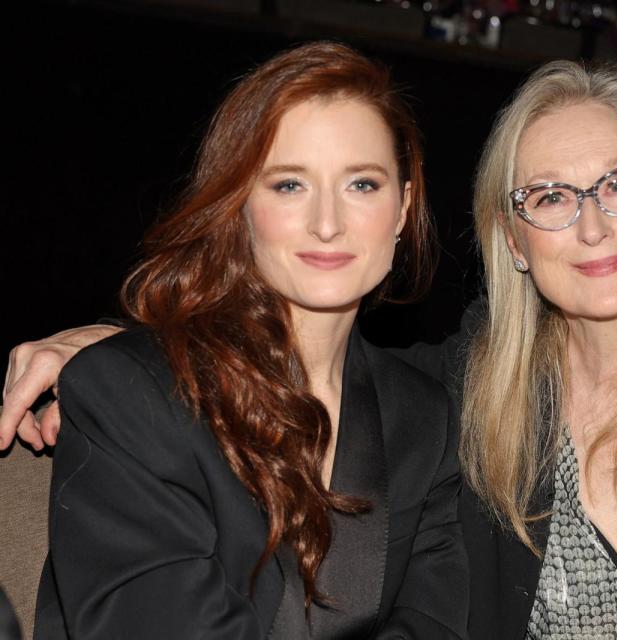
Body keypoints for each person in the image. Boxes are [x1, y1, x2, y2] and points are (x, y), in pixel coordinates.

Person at [2, 59, 617, 638]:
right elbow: (258, 372)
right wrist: (123, 346)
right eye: (549, 196)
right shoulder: (466, 400)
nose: (591, 225)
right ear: (511, 237)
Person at [15, 42, 468, 639]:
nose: (327, 222)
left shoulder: (425, 421)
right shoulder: (128, 392)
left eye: (362, 184)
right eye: (288, 186)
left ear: (404, 208)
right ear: (239, 206)